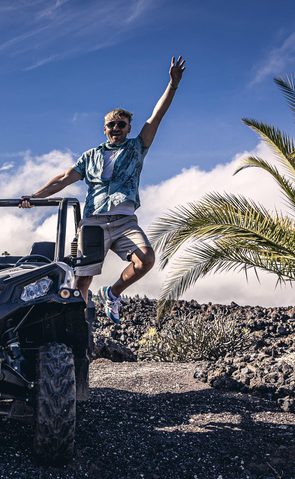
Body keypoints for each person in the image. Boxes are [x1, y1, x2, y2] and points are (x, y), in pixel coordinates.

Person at [20, 56, 185, 323]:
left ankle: (113, 292)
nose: (117, 128)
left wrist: (172, 85)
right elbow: (63, 179)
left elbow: (157, 116)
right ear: (105, 129)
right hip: (94, 222)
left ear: (128, 128)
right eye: (112, 124)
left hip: (124, 222)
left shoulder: (136, 147)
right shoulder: (90, 156)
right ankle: (77, 331)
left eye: (122, 124)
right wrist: (35, 196)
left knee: (146, 260)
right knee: (82, 281)